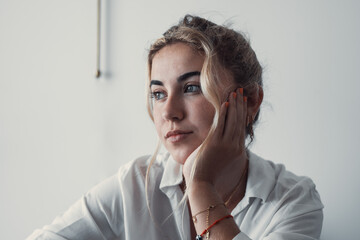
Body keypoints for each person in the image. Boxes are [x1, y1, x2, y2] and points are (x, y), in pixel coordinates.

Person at [27, 15, 323, 240]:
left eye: (192, 87)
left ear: (251, 101)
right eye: (158, 94)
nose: (168, 111)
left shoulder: (292, 199)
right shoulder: (133, 185)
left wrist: (201, 187)